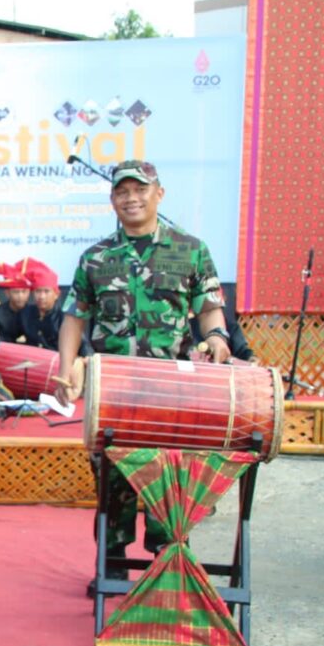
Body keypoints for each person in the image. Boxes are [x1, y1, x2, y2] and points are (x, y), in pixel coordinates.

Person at [54, 160, 229, 592]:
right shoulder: (96, 258)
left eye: (140, 190)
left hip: (172, 389)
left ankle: (165, 559)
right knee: (112, 477)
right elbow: (75, 317)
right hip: (113, 388)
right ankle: (111, 566)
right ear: (112, 199)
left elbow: (208, 309)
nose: (131, 198)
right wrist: (65, 369)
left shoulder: (191, 249)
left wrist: (219, 338)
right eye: (122, 192)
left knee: (169, 472)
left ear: (159, 194)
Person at [20, 263, 64, 350]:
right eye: (38, 291)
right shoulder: (26, 313)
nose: (41, 296)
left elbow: (83, 345)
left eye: (46, 291)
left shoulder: (64, 318)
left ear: (56, 294)